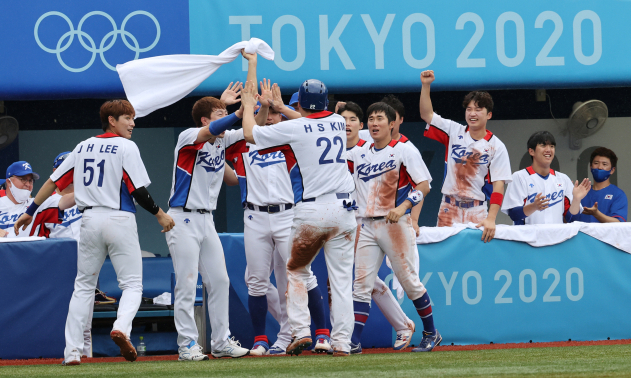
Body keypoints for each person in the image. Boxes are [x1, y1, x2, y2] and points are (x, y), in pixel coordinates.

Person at [15, 99, 175, 365]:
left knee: (83, 287)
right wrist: (160, 214)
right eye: (127, 118)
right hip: (119, 217)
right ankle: (122, 328)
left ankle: (72, 353)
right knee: (133, 285)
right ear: (112, 120)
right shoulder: (126, 146)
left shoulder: (83, 145)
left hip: (89, 219)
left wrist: (30, 210)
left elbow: (54, 182)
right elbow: (137, 189)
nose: (132, 123)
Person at [241, 78, 357, 356]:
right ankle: (341, 342)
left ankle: (301, 331)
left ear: (301, 102)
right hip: (344, 210)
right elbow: (312, 121)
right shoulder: (337, 122)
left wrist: (249, 106)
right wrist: (282, 106)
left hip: (313, 210)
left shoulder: (293, 127)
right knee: (341, 281)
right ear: (326, 102)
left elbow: (249, 133)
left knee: (295, 271)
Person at [224, 74, 331, 355]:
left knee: (301, 276)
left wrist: (281, 106)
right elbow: (215, 136)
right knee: (257, 280)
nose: (269, 117)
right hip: (255, 216)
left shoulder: (293, 136)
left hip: (287, 214)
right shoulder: (244, 142)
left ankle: (322, 334)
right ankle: (261, 339)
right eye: (264, 112)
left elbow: (312, 125)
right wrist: (240, 108)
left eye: (272, 112)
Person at [165, 80, 251, 360]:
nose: (224, 120)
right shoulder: (190, 135)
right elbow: (211, 129)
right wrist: (233, 111)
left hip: (206, 219)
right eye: (218, 115)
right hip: (182, 217)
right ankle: (187, 345)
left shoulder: (221, 141)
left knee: (220, 280)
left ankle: (221, 341)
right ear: (206, 120)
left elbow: (251, 132)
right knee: (187, 283)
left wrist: (253, 105)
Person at [345, 102, 438, 353]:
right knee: (361, 285)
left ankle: (431, 332)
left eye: (380, 119)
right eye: (371, 119)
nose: (375, 123)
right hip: (366, 225)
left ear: (392, 123)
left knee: (409, 282)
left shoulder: (404, 150)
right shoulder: (359, 152)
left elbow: (424, 186)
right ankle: (353, 341)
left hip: (394, 224)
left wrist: (405, 206)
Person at [419, 70, 512, 242]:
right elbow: (427, 115)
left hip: (476, 210)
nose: (472, 113)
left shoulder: (496, 146)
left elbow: (499, 186)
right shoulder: (454, 131)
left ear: (489, 115)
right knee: (445, 257)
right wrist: (426, 85)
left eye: (478, 109)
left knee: (476, 259)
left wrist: (491, 218)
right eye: (469, 109)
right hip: (449, 206)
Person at [501, 131, 591, 224]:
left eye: (552, 146)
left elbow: (571, 219)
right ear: (531, 151)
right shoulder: (519, 177)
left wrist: (576, 199)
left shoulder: (563, 179)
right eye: (543, 145)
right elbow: (514, 215)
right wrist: (534, 206)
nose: (549, 150)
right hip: (529, 237)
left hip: (557, 237)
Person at [1, 161, 73, 239]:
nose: (28, 184)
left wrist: (85, 191)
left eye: (30, 180)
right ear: (9, 182)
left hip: (27, 250)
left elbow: (64, 202)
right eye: (23, 179)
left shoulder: (37, 204)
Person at [574, 147, 627, 223]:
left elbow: (618, 223)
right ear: (590, 167)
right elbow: (567, 220)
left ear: (612, 170)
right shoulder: (580, 192)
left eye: (604, 164)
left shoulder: (618, 194)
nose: (599, 167)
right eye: (596, 163)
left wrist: (596, 214)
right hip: (581, 235)